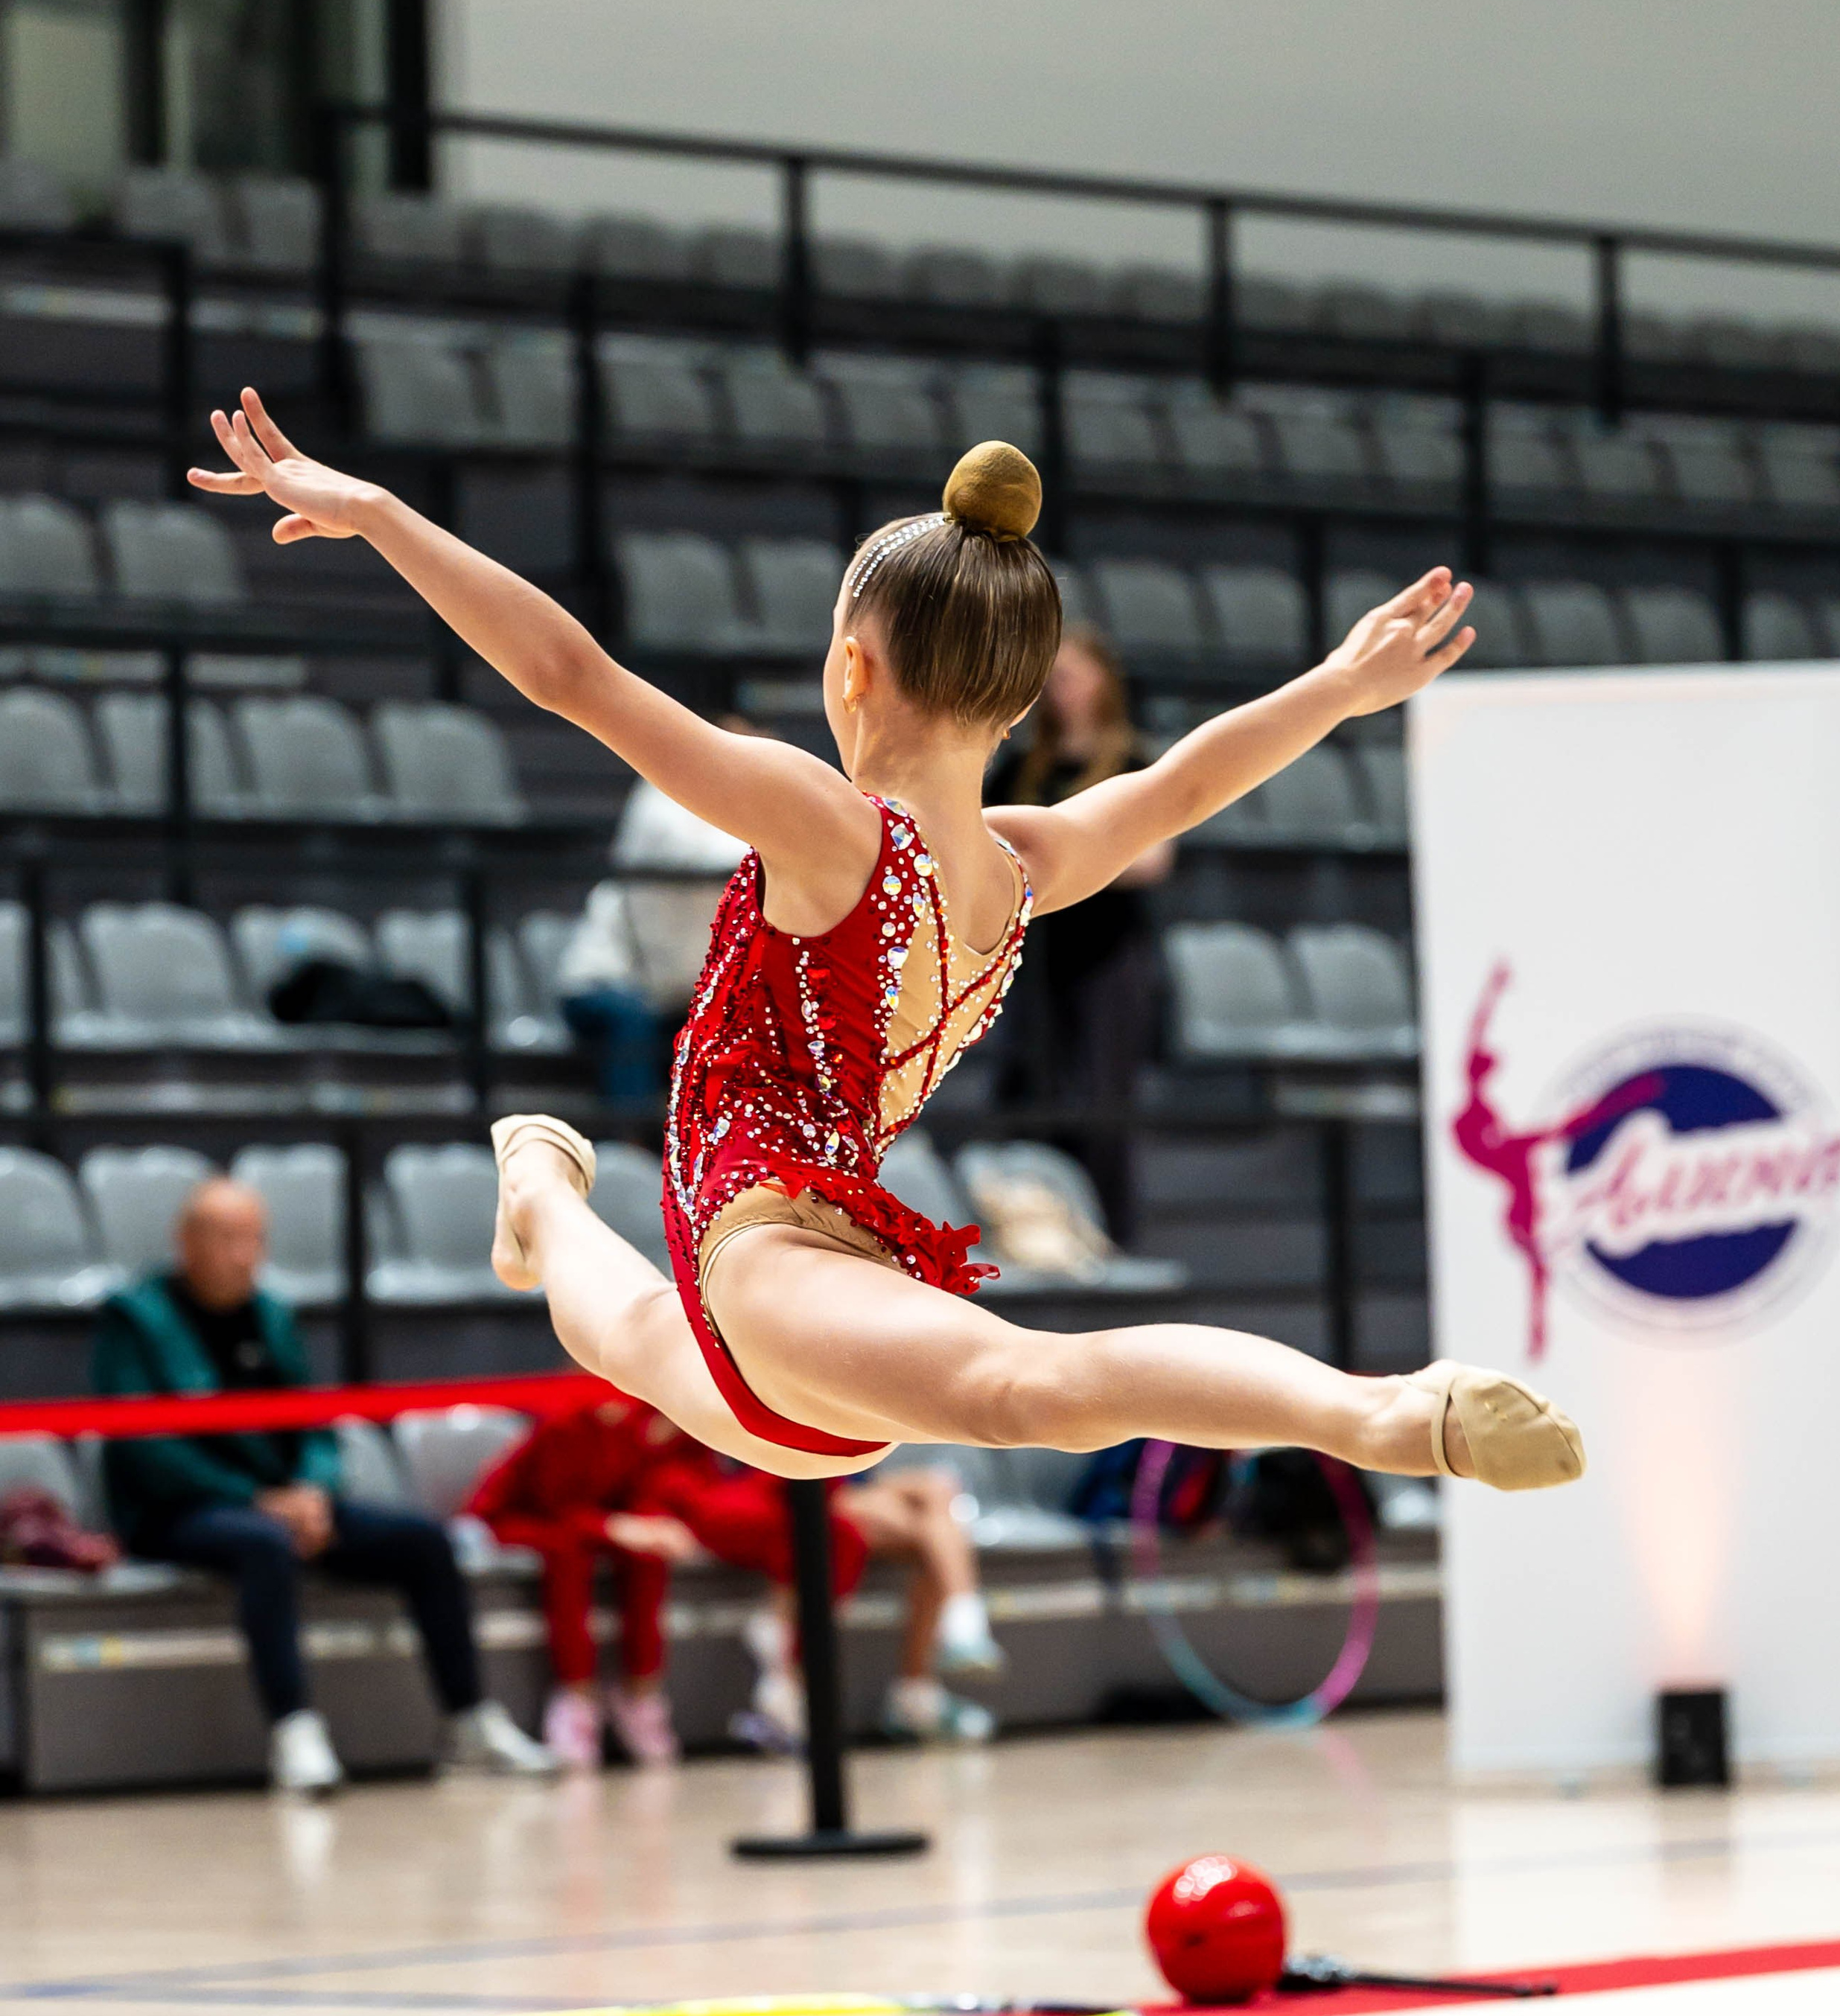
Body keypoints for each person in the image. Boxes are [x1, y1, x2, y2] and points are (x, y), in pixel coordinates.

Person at [189, 392, 1585, 1500]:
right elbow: (1185, 783)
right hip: (772, 1257)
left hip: (810, 1273)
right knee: (1015, 1390)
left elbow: (573, 678)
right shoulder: (1021, 868)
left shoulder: (831, 823)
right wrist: (1341, 687)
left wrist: (378, 513)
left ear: (849, 668)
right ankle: (1386, 1412)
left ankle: (541, 1185)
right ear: (1022, 692)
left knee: (624, 1337)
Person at [93, 1177, 556, 1794]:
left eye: (255, 1239)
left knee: (424, 1541)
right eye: (228, 1239)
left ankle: (468, 1722)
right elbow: (144, 1448)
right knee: (262, 1543)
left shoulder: (272, 1313)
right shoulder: (136, 1320)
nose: (245, 1255)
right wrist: (258, 1501)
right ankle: (295, 1731)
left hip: (287, 1505)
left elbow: (314, 1425)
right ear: (185, 1244)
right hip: (179, 1510)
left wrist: (312, 1490)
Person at [468, 1388, 998, 1764]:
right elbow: (568, 1499)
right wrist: (625, 1524)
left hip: (770, 1487)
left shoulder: (686, 1407)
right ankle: (924, 1655)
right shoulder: (592, 1415)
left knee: (926, 1504)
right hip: (716, 1502)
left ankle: (920, 1652)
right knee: (886, 1520)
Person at [993, 622, 1170, 1243]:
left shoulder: (1130, 762)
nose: (1058, 692)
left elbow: (1152, 860)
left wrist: (1058, 862)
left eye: (1068, 677)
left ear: (1101, 680)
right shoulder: (1020, 765)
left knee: (1102, 1100)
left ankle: (1113, 1238)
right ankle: (1040, 1235)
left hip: (1106, 950)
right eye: (1050, 681)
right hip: (1033, 952)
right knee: (1029, 1091)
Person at [557, 779, 745, 1105]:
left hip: (669, 988)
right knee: (630, 1017)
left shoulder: (729, 806)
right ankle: (630, 1140)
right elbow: (691, 855)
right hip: (603, 982)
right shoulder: (659, 794)